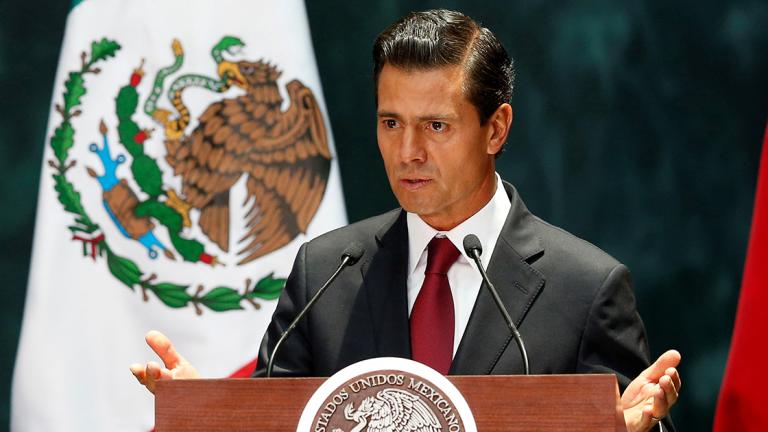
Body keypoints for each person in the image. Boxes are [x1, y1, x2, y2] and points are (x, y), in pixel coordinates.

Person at [131, 9, 681, 432]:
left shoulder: (586, 289)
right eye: (391, 122)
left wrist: (635, 430)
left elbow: (627, 418)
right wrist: (212, 417)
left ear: (496, 129)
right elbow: (282, 420)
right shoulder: (324, 273)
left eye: (436, 126)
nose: (408, 151)